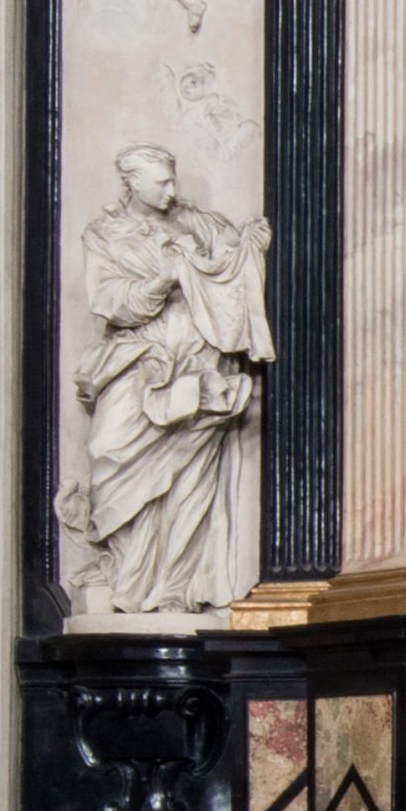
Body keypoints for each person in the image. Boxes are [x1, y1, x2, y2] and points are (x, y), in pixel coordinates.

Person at [60, 149, 272, 615]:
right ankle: (129, 574)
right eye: (161, 184)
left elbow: (232, 271)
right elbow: (111, 302)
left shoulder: (198, 223)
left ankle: (176, 588)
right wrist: (164, 279)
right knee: (108, 449)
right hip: (139, 358)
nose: (172, 192)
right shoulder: (103, 235)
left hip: (199, 359)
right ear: (132, 183)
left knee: (190, 479)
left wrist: (251, 248)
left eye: (172, 181)